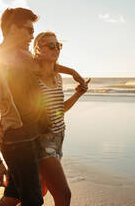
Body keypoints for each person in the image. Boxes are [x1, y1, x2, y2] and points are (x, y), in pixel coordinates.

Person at [0, 8, 86, 206]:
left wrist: (72, 72)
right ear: (13, 28)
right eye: (29, 30)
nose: (32, 35)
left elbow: (48, 65)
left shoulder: (25, 56)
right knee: (33, 200)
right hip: (17, 141)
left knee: (14, 195)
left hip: (34, 136)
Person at [33, 31, 90, 206]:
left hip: (58, 139)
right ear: (37, 49)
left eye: (58, 45)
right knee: (64, 195)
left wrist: (78, 95)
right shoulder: (32, 79)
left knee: (38, 192)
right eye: (50, 45)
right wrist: (72, 71)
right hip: (42, 141)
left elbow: (60, 110)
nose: (56, 48)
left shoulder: (58, 78)